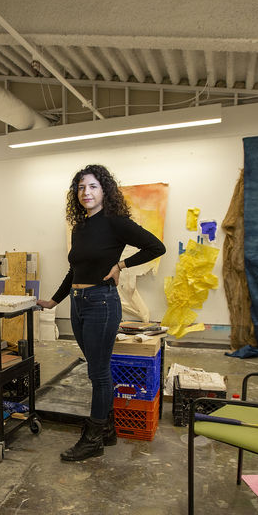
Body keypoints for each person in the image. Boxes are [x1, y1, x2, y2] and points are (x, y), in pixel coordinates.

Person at [37, 164, 166, 461]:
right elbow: (75, 269)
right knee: (99, 372)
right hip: (78, 302)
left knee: (98, 372)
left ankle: (93, 438)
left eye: (93, 186)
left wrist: (120, 266)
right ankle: (107, 430)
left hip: (102, 303)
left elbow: (156, 246)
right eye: (81, 187)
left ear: (104, 190)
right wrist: (55, 301)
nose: (86, 192)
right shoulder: (80, 227)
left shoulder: (115, 222)